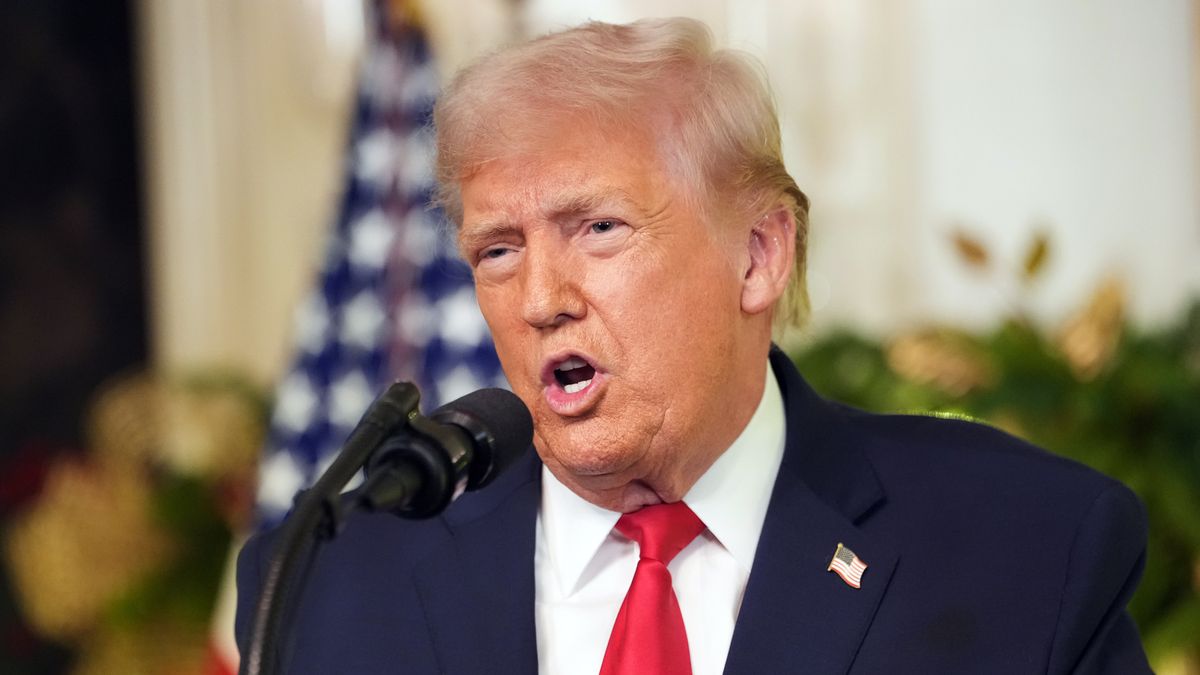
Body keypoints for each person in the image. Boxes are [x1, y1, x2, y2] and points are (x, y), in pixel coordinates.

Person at [235, 17, 1151, 674]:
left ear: (758, 255)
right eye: (498, 250)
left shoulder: (1025, 548)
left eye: (597, 228)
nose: (541, 299)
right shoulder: (331, 584)